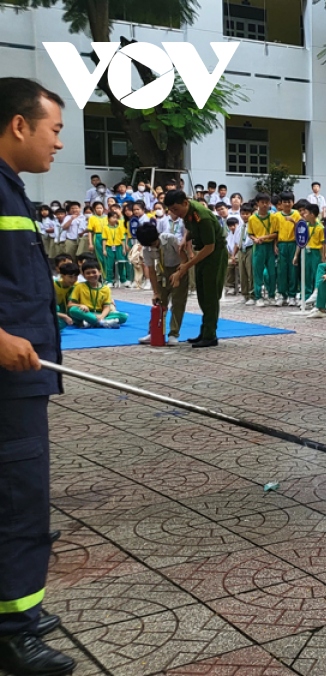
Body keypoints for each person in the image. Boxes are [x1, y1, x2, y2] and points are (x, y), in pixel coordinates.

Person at [0, 77, 75, 676]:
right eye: (53, 131)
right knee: (19, 503)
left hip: (23, 377)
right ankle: (13, 632)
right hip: (6, 381)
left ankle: (16, 611)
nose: (57, 144)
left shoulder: (11, 189)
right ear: (19, 125)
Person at [162, 190, 228, 348]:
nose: (173, 213)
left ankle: (210, 335)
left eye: (175, 209)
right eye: (170, 210)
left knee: (210, 295)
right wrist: (186, 239)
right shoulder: (187, 212)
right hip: (204, 253)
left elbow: (210, 246)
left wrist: (186, 265)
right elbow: (191, 229)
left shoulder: (202, 216)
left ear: (185, 202)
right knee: (202, 293)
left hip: (215, 254)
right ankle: (204, 332)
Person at [135, 223, 187, 346]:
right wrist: (155, 292)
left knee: (178, 302)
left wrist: (179, 275)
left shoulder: (170, 239)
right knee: (160, 303)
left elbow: (184, 259)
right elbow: (151, 271)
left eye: (154, 244)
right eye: (149, 245)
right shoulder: (147, 248)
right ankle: (154, 332)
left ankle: (174, 333)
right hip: (162, 271)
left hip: (179, 268)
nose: (153, 247)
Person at [246, 193, 278, 306]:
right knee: (258, 272)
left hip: (269, 246)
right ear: (257, 203)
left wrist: (264, 237)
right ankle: (258, 297)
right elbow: (250, 233)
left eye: (266, 202)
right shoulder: (252, 219)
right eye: (262, 202)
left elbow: (275, 234)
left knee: (272, 272)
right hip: (258, 247)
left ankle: (272, 295)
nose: (264, 205)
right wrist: (255, 239)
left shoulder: (273, 217)